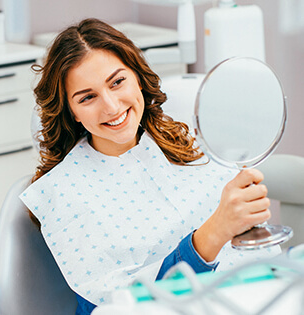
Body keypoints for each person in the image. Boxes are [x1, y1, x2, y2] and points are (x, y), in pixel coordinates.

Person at [20, 18, 280, 315]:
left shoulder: (185, 146)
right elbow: (115, 304)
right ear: (72, 112)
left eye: (117, 82)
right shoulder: (62, 192)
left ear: (138, 78)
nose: (112, 107)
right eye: (88, 97)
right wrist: (214, 232)